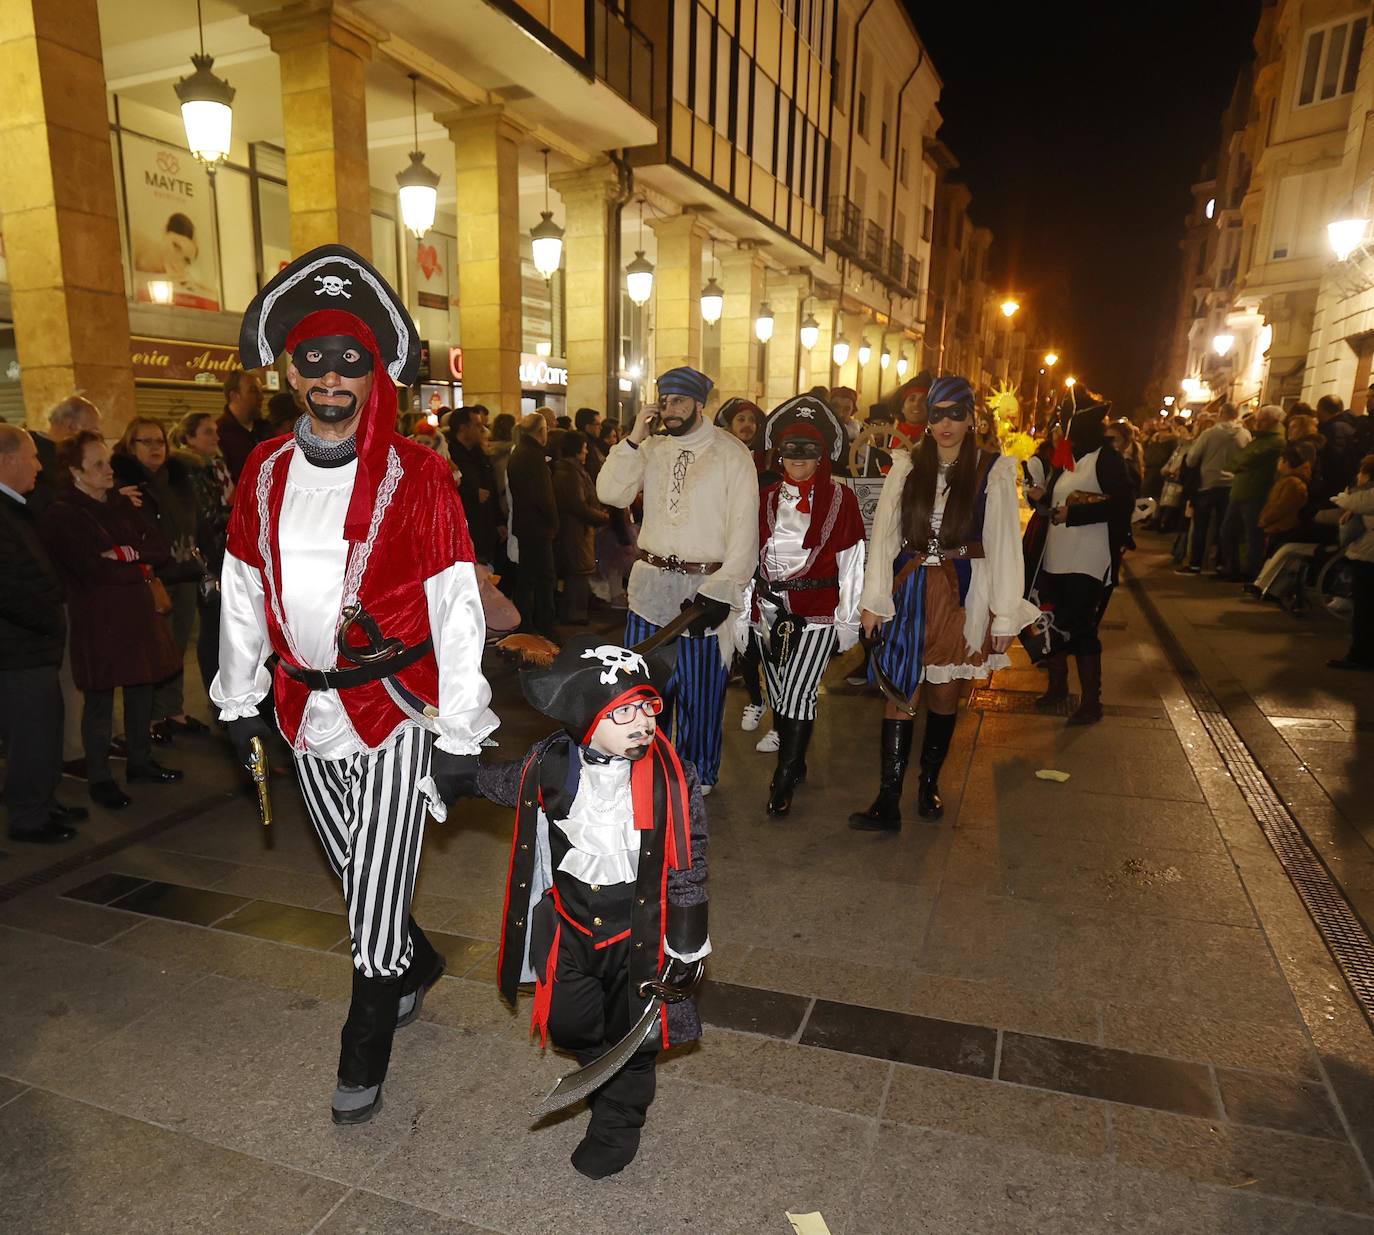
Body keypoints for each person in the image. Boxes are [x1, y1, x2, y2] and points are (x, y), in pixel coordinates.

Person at [215, 244, 498, 1125]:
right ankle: (413, 961)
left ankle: (365, 1038)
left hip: (397, 708)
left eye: (352, 363)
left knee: (374, 891)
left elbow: (457, 607)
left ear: (376, 375)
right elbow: (239, 590)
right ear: (289, 371)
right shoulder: (261, 471)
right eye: (314, 361)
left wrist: (460, 731)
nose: (332, 380)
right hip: (304, 711)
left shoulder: (420, 475)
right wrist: (239, 700)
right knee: (358, 870)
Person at [469, 634, 708, 1179]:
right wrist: (454, 776)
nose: (643, 723)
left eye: (647, 708)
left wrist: (688, 943)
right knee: (571, 1026)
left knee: (634, 1036)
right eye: (623, 713)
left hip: (640, 937)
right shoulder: (552, 764)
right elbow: (504, 783)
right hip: (572, 929)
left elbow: (691, 863)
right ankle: (600, 1067)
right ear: (585, 719)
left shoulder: (677, 780)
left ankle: (618, 1120)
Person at [852, 376, 1037, 831]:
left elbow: (1003, 544)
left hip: (961, 593)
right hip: (908, 587)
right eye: (938, 414)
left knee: (943, 693)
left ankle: (928, 782)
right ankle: (888, 799)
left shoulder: (991, 469)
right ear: (927, 420)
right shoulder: (907, 466)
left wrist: (1006, 611)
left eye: (957, 413)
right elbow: (885, 539)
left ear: (972, 418)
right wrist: (874, 599)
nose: (947, 423)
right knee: (898, 694)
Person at [597, 366, 760, 793]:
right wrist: (633, 438)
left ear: (699, 403)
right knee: (644, 689)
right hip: (649, 590)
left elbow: (745, 532)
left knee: (700, 695)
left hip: (703, 591)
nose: (670, 409)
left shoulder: (731, 454)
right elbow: (610, 494)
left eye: (679, 401)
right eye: (665, 400)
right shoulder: (651, 450)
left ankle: (695, 775)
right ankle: (645, 767)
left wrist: (724, 590)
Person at [41, 431, 184, 808]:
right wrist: (137, 567)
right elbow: (89, 569)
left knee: (142, 689)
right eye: (99, 464)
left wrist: (123, 554)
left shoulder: (119, 504)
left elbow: (159, 547)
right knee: (100, 702)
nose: (110, 470)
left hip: (135, 613)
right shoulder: (64, 514)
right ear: (75, 472)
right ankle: (100, 777)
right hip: (98, 618)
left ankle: (140, 760)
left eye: (107, 461)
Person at [750, 396, 865, 816]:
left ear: (823, 455)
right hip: (770, 610)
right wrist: (748, 612)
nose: (798, 458)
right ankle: (796, 761)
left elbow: (853, 562)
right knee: (781, 693)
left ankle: (783, 778)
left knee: (799, 693)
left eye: (809, 448)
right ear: (779, 452)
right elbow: (751, 557)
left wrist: (847, 622)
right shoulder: (763, 497)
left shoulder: (842, 499)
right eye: (790, 448)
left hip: (817, 612)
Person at [0, 425, 86, 843]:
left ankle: (44, 801)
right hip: (18, 649)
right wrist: (49, 617)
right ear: (8, 460)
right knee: (30, 733)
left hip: (34, 645)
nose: (39, 466)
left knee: (45, 729)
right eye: (32, 457)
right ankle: (29, 816)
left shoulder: (17, 505)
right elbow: (10, 587)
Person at [1030, 391, 1136, 725]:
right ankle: (1058, 688)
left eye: (1065, 419)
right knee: (1056, 623)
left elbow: (1122, 504)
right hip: (1058, 556)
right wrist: (1040, 498)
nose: (1061, 426)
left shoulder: (1106, 458)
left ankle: (1092, 703)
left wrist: (1072, 515)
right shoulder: (1071, 456)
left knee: (1082, 628)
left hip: (1088, 559)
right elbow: (1057, 500)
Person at [113, 417, 205, 738]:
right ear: (130, 446)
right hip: (152, 576)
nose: (155, 448)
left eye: (159, 441)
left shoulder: (176, 478)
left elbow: (194, 521)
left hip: (183, 569)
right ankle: (150, 719)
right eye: (146, 442)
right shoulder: (122, 484)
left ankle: (172, 711)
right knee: (153, 650)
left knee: (178, 646)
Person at [172, 410, 234, 699]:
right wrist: (236, 514)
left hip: (223, 552)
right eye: (207, 432)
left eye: (215, 431)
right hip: (208, 557)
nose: (216, 437)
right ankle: (215, 693)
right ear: (189, 437)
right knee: (211, 628)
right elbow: (205, 516)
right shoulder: (189, 469)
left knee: (222, 627)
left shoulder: (214, 465)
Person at [1178, 401, 1250, 573]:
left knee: (1201, 526)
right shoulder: (1245, 435)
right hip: (1232, 485)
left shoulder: (1209, 434)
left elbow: (1192, 459)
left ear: (1220, 414)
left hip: (1207, 484)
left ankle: (1196, 563)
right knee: (1224, 526)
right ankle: (1221, 563)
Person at [508, 411, 560, 639]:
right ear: (541, 431)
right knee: (543, 578)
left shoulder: (519, 452)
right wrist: (553, 522)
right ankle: (543, 624)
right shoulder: (534, 456)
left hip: (524, 524)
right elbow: (544, 496)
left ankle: (525, 622)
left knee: (527, 577)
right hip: (538, 527)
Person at [1218, 404, 1284, 582]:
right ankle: (1233, 569)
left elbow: (1245, 459)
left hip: (1256, 493)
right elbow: (1237, 460)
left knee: (1253, 536)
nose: (1258, 423)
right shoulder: (1260, 439)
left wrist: (1240, 463)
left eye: (1261, 420)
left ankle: (1253, 574)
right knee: (1228, 531)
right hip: (1241, 491)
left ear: (1272, 421)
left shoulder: (1276, 441)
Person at [552, 431, 609, 624]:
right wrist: (603, 517)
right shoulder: (569, 472)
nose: (586, 454)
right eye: (584, 450)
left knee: (579, 572)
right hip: (574, 531)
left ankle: (576, 611)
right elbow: (578, 505)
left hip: (579, 529)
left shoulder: (572, 470)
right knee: (576, 573)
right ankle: (573, 614)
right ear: (577, 450)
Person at [1329, 455, 1374, 671]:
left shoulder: (1368, 497)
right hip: (1366, 554)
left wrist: (1345, 496)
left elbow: (1348, 500)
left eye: (1361, 471)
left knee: (1365, 609)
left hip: (1369, 557)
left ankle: (1361, 656)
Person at [447, 407, 500, 566]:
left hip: (485, 529)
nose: (482, 429)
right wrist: (472, 493)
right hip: (467, 531)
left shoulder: (480, 454)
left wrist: (498, 521)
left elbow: (491, 486)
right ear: (463, 428)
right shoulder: (450, 456)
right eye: (477, 425)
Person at [217, 369, 270, 484]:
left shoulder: (266, 430)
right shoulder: (219, 434)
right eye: (254, 391)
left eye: (261, 391)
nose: (261, 397)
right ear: (234, 396)